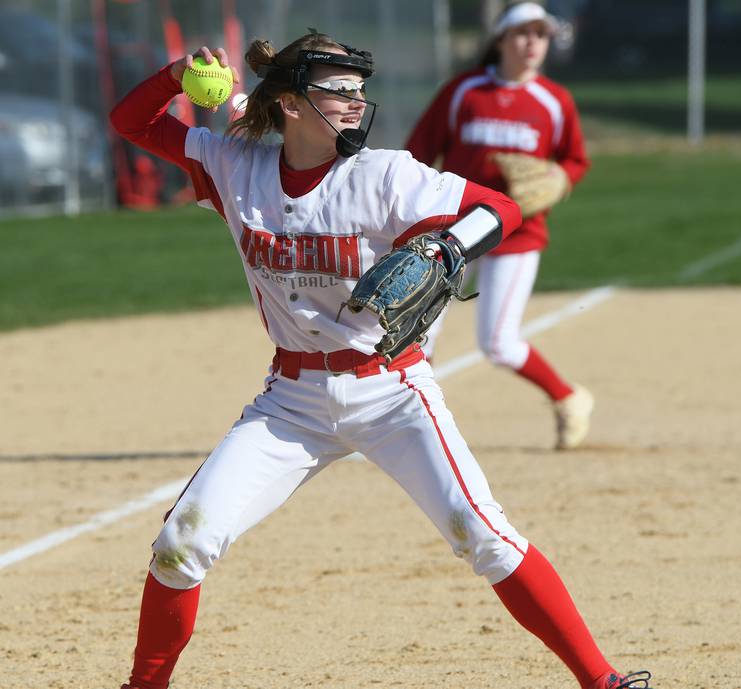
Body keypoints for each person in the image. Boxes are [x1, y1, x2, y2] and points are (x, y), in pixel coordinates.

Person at [109, 30, 652, 689]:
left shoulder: (386, 175)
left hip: (392, 390)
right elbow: (129, 121)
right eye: (339, 90)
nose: (355, 103)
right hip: (292, 401)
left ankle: (604, 680)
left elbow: (500, 209)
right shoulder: (233, 165)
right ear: (289, 104)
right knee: (181, 544)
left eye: (360, 92)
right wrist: (174, 74)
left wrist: (451, 247)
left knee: (483, 535)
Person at [406, 2, 594, 450]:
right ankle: (412, 424)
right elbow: (419, 150)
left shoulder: (553, 100)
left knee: (498, 343)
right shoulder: (464, 92)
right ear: (501, 40)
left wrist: (557, 178)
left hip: (517, 233)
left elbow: (575, 158)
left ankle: (568, 398)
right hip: (453, 231)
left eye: (541, 35)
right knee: (417, 331)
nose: (533, 43)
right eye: (523, 33)